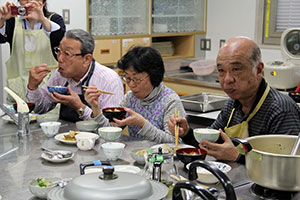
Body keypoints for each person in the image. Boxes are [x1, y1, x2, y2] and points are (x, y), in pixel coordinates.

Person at [168, 36, 300, 162]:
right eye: (221, 70)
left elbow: (288, 166)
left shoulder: (281, 110)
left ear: (258, 70)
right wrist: (186, 133)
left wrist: (238, 156)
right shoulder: (232, 104)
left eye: (236, 69)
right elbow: (209, 144)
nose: (227, 80)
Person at [84, 46, 186, 143]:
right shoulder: (130, 98)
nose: (131, 85)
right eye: (127, 78)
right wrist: (96, 108)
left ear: (154, 76)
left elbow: (175, 142)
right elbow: (112, 131)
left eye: (137, 79)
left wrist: (142, 124)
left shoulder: (170, 101)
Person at [26, 29, 124, 122]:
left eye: (67, 54)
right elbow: (41, 108)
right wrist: (33, 87)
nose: (60, 59)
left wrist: (80, 107)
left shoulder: (108, 80)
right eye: (58, 51)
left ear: (86, 59)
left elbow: (111, 126)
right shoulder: (60, 75)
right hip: (65, 136)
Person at [0, 0, 66, 103]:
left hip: (47, 90)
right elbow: (1, 39)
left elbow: (60, 38)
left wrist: (42, 19)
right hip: (18, 91)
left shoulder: (54, 19)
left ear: (43, 2)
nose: (29, 1)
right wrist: (2, 20)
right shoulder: (12, 21)